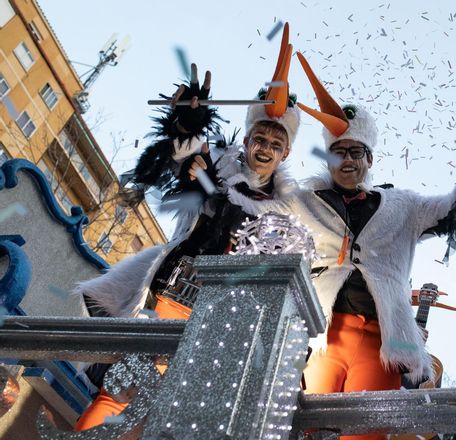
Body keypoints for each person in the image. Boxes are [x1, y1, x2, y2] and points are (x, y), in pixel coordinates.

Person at [236, 52, 456, 439]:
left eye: (356, 151)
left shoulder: (402, 207)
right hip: (321, 334)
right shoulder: (304, 200)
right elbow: (258, 192)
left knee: (366, 432)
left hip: (383, 339)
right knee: (302, 427)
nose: (347, 160)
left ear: (370, 158)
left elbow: (454, 212)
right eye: (339, 152)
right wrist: (266, 124)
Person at [74, 24, 301, 430]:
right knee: (121, 390)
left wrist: (214, 192)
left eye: (275, 143)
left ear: (285, 153)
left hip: (221, 320)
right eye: (259, 138)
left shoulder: (284, 211)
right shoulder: (216, 162)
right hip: (173, 292)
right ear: (247, 139)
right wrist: (186, 121)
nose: (264, 148)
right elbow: (165, 162)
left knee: (175, 410)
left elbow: (258, 252)